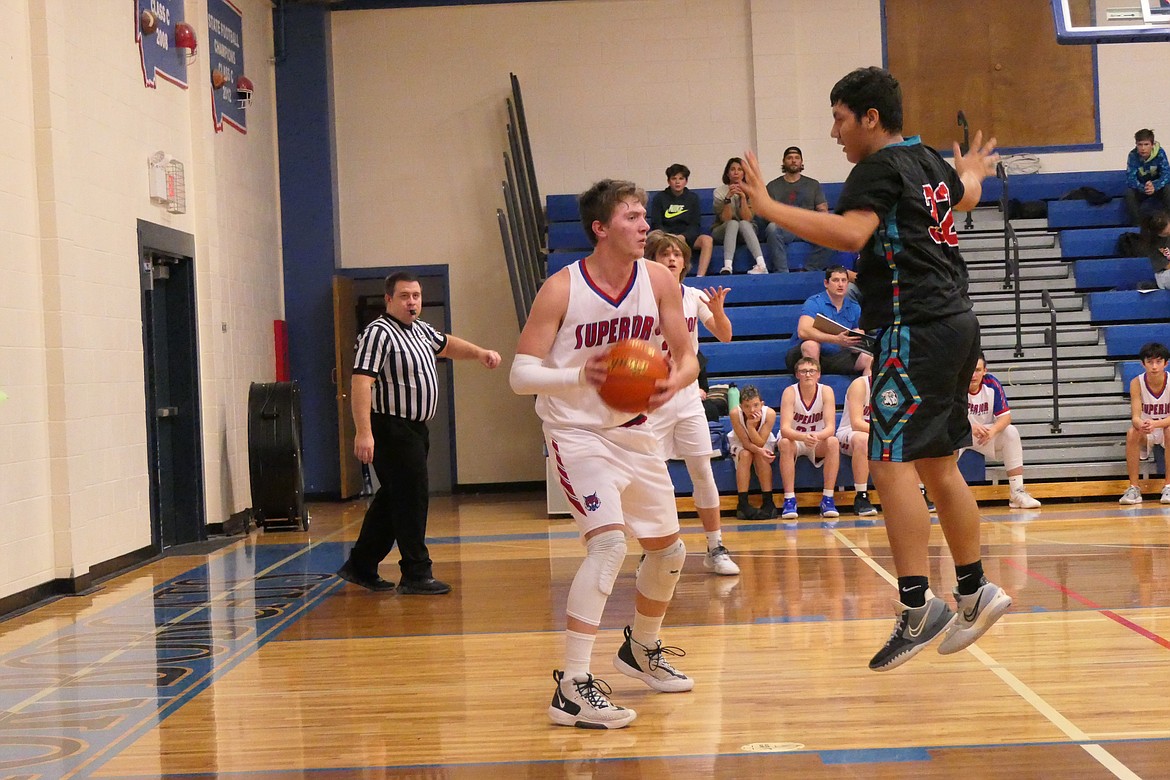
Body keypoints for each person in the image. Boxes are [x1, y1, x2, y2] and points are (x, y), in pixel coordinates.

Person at [740, 66, 1011, 671]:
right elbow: (965, 192)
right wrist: (969, 167)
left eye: (839, 118)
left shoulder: (879, 168)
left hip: (912, 326)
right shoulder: (926, 164)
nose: (834, 132)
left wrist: (767, 207)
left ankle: (917, 606)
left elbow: (848, 231)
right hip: (957, 322)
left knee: (887, 461)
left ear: (869, 118)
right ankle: (974, 590)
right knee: (940, 465)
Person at [509, 179, 700, 729]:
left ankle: (640, 649)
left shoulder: (660, 279)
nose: (646, 225)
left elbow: (687, 357)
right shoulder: (562, 288)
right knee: (610, 546)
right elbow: (522, 375)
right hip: (577, 434)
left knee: (668, 554)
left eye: (645, 217)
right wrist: (580, 374)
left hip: (637, 433)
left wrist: (673, 381)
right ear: (601, 228)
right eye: (634, 217)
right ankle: (571, 686)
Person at [338, 271, 502, 595]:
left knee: (393, 499)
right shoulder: (378, 333)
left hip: (415, 430)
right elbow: (361, 382)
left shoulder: (420, 330)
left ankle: (361, 564)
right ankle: (415, 571)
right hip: (390, 427)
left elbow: (448, 344)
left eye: (415, 295)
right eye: (404, 296)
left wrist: (480, 353)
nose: (411, 302)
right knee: (412, 499)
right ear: (389, 300)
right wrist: (364, 433)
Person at [644, 231, 739, 575]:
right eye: (663, 254)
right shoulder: (639, 299)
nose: (671, 259)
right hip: (650, 398)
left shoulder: (694, 296)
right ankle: (658, 551)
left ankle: (715, 547)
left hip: (685, 398)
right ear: (650, 261)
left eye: (677, 254)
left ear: (685, 261)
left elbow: (725, 335)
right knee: (656, 479)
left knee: (702, 471)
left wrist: (719, 312)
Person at [961, 353, 1042, 509]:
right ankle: (935, 497)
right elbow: (947, 418)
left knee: (1010, 432)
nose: (973, 375)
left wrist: (992, 432)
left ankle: (1017, 492)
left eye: (978, 370)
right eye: (970, 370)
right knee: (940, 440)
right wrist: (969, 427)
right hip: (960, 434)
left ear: (985, 371)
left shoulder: (992, 384)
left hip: (985, 435)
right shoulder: (956, 385)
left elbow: (1006, 417)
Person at [777, 357, 840, 523]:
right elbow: (784, 429)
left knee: (833, 441)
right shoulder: (790, 392)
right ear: (797, 374)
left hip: (816, 439)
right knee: (784, 443)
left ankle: (828, 498)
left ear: (818, 374)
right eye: (804, 371)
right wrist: (803, 437)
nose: (808, 375)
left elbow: (830, 428)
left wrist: (816, 437)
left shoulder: (826, 391)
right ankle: (789, 500)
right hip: (796, 439)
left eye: (812, 371)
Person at [785, 265, 873, 376]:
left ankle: (868, 392)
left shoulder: (854, 307)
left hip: (837, 355)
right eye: (836, 280)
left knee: (868, 357)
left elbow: (857, 334)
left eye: (844, 280)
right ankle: (814, 389)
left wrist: (854, 342)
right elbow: (803, 331)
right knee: (811, 345)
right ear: (826, 283)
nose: (840, 284)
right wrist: (836, 339)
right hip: (805, 355)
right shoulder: (814, 302)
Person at [759, 146, 836, 272]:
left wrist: (824, 222)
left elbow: (822, 209)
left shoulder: (813, 184)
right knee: (772, 228)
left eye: (797, 158)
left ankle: (809, 270)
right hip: (785, 227)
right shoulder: (773, 186)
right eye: (789, 158)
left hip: (808, 226)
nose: (793, 161)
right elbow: (767, 212)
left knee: (832, 233)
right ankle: (782, 273)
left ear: (801, 162)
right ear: (784, 162)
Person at [1119, 341, 1170, 505]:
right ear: (1143, 364)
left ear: (1166, 363)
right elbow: (1135, 416)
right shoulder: (1136, 382)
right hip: (1147, 430)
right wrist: (1140, 423)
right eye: (1150, 362)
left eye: (1158, 362)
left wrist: (1157, 424)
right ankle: (1134, 488)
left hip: (1165, 428)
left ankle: (1168, 486)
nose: (1154, 366)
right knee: (1132, 432)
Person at [649, 164, 716, 276]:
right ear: (668, 181)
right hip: (665, 237)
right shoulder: (659, 198)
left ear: (686, 181)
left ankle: (700, 276)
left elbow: (695, 224)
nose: (677, 182)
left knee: (707, 240)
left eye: (681, 179)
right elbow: (656, 223)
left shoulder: (692, 198)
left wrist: (684, 237)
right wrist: (669, 237)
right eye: (674, 179)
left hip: (687, 237)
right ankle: (660, 276)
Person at [727, 385, 778, 520]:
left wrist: (759, 449)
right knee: (746, 454)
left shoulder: (770, 413)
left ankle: (768, 502)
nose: (752, 410)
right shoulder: (734, 414)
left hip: (762, 440)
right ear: (741, 406)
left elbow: (760, 442)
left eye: (755, 405)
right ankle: (742, 504)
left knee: (762, 457)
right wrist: (750, 426)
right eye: (747, 406)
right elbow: (745, 443)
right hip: (740, 442)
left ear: (762, 404)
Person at [712, 157, 768, 275]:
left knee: (743, 223)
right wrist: (727, 198)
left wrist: (743, 198)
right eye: (732, 169)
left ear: (744, 173)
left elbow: (747, 218)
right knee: (733, 223)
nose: (736, 172)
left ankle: (761, 264)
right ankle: (727, 266)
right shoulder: (719, 192)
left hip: (746, 230)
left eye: (739, 170)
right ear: (727, 173)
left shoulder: (751, 191)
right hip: (723, 229)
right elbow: (725, 220)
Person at [836, 373, 878, 517]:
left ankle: (920, 491)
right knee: (863, 439)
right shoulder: (860, 385)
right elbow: (856, 423)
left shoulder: (895, 386)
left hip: (879, 433)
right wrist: (885, 433)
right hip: (849, 433)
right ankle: (861, 496)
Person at [1125, 129, 1170, 226]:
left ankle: (1168, 224)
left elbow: (1166, 174)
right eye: (1139, 145)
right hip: (1142, 188)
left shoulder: (1160, 153)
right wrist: (1143, 188)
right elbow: (1130, 178)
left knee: (1168, 189)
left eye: (1146, 144)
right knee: (1129, 193)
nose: (1143, 148)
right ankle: (1138, 226)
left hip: (1158, 188)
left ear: (1152, 144)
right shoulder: (1133, 155)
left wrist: (1155, 186)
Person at [1141, 210, 1170, 290]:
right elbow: (1167, 266)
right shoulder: (1153, 245)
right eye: (1166, 233)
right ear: (1159, 233)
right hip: (1165, 275)